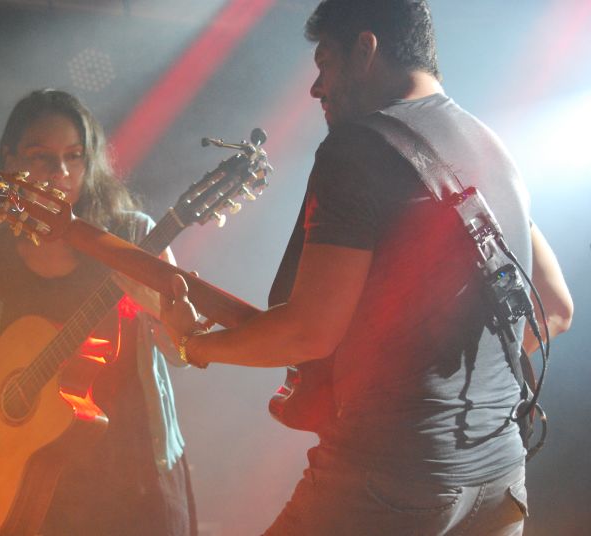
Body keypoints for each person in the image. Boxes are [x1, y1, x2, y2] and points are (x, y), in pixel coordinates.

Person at [160, 1, 573, 535]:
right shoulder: (491, 147)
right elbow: (556, 309)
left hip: (388, 481)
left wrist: (195, 347)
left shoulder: (355, 149)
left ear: (365, 49)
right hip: (500, 481)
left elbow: (309, 330)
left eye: (324, 63)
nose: (315, 88)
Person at [0, 89, 196, 535]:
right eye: (42, 158)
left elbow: (182, 352)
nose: (60, 173)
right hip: (24, 494)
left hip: (137, 484)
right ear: (9, 158)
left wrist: (160, 309)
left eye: (74, 157)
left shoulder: (133, 236)